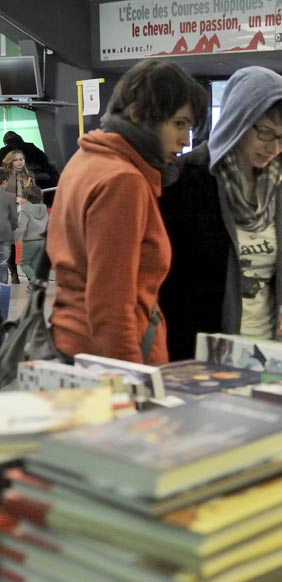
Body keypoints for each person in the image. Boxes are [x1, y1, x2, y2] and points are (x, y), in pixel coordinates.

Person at [46, 59, 207, 363]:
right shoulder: (124, 181)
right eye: (179, 123)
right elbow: (111, 304)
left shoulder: (86, 159)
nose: (186, 140)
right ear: (138, 114)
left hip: (72, 343)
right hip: (112, 359)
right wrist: (131, 385)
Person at [158, 66, 282, 361]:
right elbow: (169, 279)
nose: (274, 148)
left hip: (272, 349)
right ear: (239, 120)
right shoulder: (185, 178)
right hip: (202, 349)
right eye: (265, 133)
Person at [15, 183, 48, 282]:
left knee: (24, 264)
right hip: (42, 241)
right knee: (35, 265)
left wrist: (15, 238)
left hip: (29, 241)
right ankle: (34, 287)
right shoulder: (44, 208)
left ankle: (36, 281)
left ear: (26, 197)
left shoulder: (25, 210)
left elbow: (21, 227)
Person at [0, 168, 17, 285]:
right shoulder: (10, 197)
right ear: (4, 182)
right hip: (5, 233)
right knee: (3, 263)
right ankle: (3, 290)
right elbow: (14, 218)